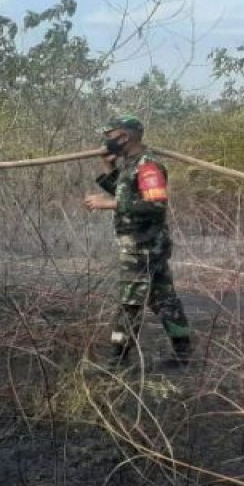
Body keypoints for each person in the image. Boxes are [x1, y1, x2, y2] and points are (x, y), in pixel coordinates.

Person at [83, 114, 193, 370]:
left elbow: (155, 204)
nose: (106, 141)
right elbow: (125, 192)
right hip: (144, 245)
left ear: (124, 137)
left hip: (143, 248)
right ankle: (183, 354)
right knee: (164, 299)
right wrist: (108, 167)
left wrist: (108, 204)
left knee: (130, 302)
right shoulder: (131, 164)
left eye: (109, 136)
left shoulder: (148, 166)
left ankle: (117, 361)